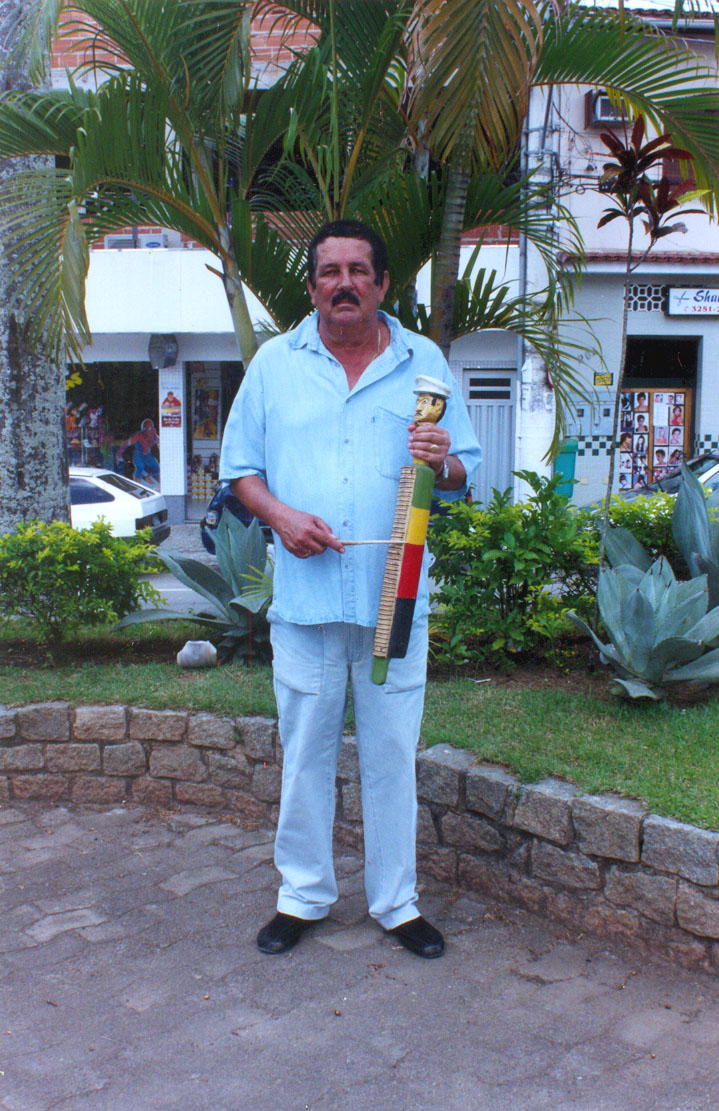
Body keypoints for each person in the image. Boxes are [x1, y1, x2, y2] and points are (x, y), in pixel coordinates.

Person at [220, 219, 482, 959]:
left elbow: (463, 470)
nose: (344, 284)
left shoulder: (422, 361)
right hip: (305, 604)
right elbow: (240, 470)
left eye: (358, 270)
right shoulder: (274, 364)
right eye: (329, 272)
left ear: (382, 283)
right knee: (305, 753)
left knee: (391, 754)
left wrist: (442, 458)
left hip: (394, 599)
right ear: (311, 288)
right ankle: (302, 896)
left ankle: (396, 903)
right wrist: (280, 518)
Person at [115, 419, 160, 485]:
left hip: (146, 455)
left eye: (150, 428)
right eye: (147, 429)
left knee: (157, 467)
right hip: (138, 454)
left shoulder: (154, 435)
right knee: (140, 467)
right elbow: (126, 443)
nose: (149, 431)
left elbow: (160, 443)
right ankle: (137, 484)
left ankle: (148, 477)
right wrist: (119, 454)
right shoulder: (138, 436)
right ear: (143, 429)